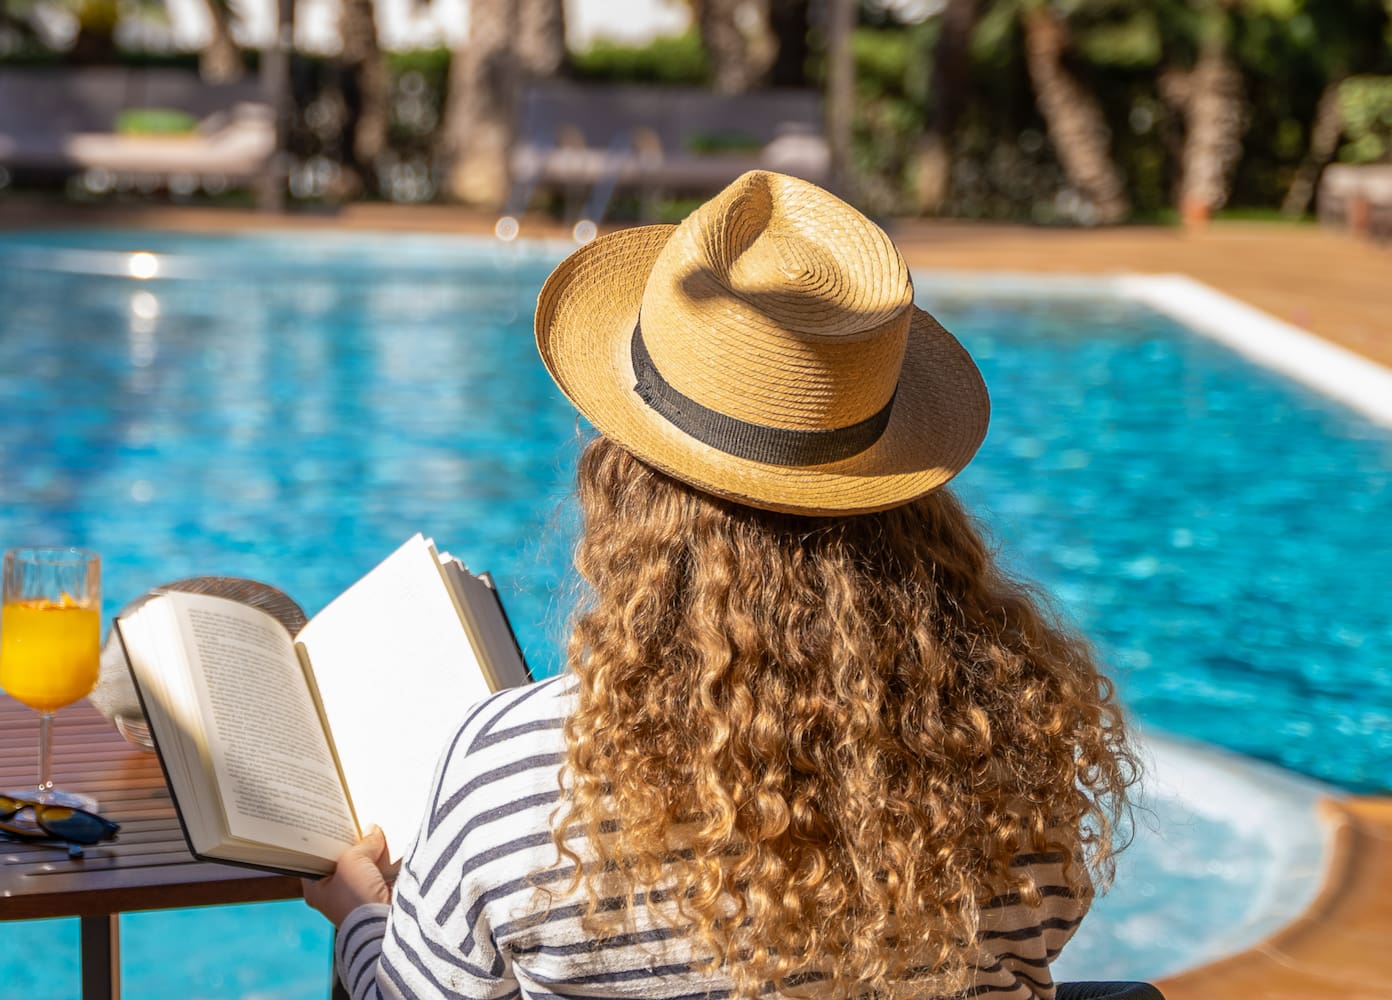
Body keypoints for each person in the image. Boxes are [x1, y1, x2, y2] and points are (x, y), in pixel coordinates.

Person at [302, 171, 1138, 1000]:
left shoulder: (523, 777)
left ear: (624, 481)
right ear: (906, 498)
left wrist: (362, 919)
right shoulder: (1018, 754)